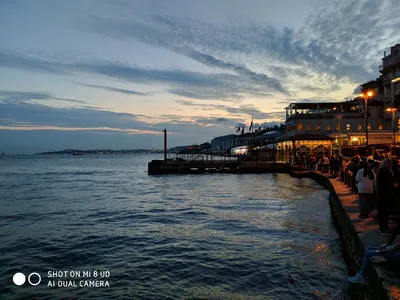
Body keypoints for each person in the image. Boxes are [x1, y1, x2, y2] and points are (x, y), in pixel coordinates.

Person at [348, 215, 400, 283]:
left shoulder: (399, 234)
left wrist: (384, 250)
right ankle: (364, 268)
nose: (390, 225)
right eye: (389, 223)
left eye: (393, 223)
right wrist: (383, 246)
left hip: (396, 255)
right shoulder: (394, 231)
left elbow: (394, 247)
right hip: (391, 251)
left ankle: (361, 275)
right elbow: (389, 243)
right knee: (369, 248)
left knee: (368, 253)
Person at [376, 158, 394, 234]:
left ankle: (383, 227)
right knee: (385, 213)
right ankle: (384, 228)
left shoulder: (380, 170)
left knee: (382, 212)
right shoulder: (385, 171)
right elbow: (387, 183)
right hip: (385, 195)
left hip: (380, 195)